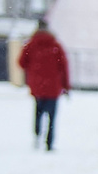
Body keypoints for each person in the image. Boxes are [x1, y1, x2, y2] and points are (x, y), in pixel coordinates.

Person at [19, 20, 69, 151]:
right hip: (53, 87)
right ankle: (49, 142)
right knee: (52, 116)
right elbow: (63, 67)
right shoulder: (55, 45)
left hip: (37, 86)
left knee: (38, 112)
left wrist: (34, 70)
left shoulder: (31, 45)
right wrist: (66, 86)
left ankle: (37, 134)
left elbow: (21, 62)